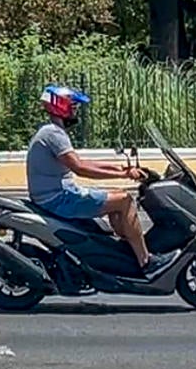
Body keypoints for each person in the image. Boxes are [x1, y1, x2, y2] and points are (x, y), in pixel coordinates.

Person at [26, 85, 172, 275]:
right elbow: (80, 169)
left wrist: (122, 169)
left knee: (116, 202)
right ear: (60, 107)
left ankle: (126, 252)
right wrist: (123, 175)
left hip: (56, 195)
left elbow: (82, 162)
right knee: (124, 200)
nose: (75, 110)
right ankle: (146, 261)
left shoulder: (51, 131)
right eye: (73, 106)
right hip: (59, 199)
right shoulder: (54, 134)